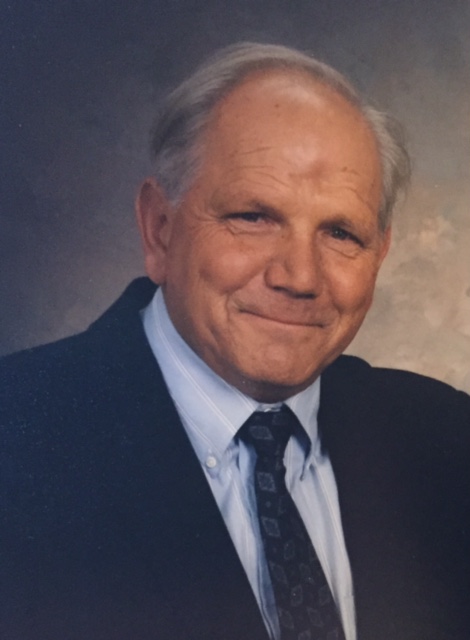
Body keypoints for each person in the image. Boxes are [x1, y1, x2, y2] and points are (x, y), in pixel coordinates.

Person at [0, 42, 469, 640]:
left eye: (340, 232)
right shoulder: (18, 439)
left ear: (379, 253)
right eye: (254, 217)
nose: (300, 277)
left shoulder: (448, 441)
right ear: (160, 229)